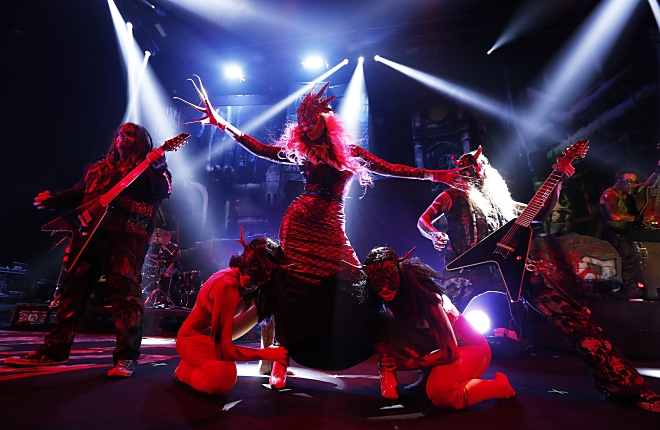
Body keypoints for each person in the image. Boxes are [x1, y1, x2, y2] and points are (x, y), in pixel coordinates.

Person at [176, 78, 465, 383]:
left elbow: (388, 168)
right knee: (289, 285)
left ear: (325, 120)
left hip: (331, 224)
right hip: (298, 223)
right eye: (302, 123)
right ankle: (279, 361)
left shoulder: (349, 152)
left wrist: (432, 174)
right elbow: (262, 150)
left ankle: (383, 359)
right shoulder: (302, 150)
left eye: (311, 122)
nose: (306, 128)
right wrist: (223, 124)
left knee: (357, 284)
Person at [418, 148, 660, 412]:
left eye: (474, 168)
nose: (470, 173)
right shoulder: (451, 196)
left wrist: (558, 182)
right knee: (434, 320)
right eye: (464, 170)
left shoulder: (502, 200)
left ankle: (623, 386)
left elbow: (540, 215)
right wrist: (433, 234)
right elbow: (424, 220)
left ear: (485, 169)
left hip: (513, 267)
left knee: (573, 319)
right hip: (467, 271)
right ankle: (425, 378)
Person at [5, 123, 171, 378]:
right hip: (89, 236)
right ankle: (54, 351)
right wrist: (52, 201)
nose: (122, 138)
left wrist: (158, 166)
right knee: (72, 292)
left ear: (141, 141)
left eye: (129, 135)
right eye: (119, 134)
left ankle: (126, 357)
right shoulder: (98, 170)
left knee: (125, 296)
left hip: (126, 237)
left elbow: (163, 189)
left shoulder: (149, 169)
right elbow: (78, 193)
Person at [362, 246, 515, 409]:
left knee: (442, 395)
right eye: (378, 281)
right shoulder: (384, 297)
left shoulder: (426, 298)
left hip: (471, 349)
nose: (384, 288)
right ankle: (428, 376)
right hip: (440, 347)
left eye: (389, 279)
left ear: (398, 274)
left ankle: (500, 387)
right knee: (384, 323)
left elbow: (450, 352)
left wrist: (406, 363)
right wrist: (388, 364)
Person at [174, 232, 289, 395]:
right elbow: (223, 351)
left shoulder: (255, 286)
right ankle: (183, 371)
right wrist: (265, 353)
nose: (248, 277)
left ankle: (270, 367)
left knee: (272, 299)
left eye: (257, 275)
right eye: (249, 269)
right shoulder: (226, 286)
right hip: (193, 339)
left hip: (217, 334)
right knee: (221, 377)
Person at [599, 164, 660, 300]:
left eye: (633, 181)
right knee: (628, 257)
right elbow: (615, 216)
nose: (631, 184)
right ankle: (631, 293)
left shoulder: (628, 191)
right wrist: (640, 218)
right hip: (614, 232)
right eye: (628, 181)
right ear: (619, 180)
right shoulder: (610, 195)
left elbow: (648, 184)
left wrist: (657, 169)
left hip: (628, 230)